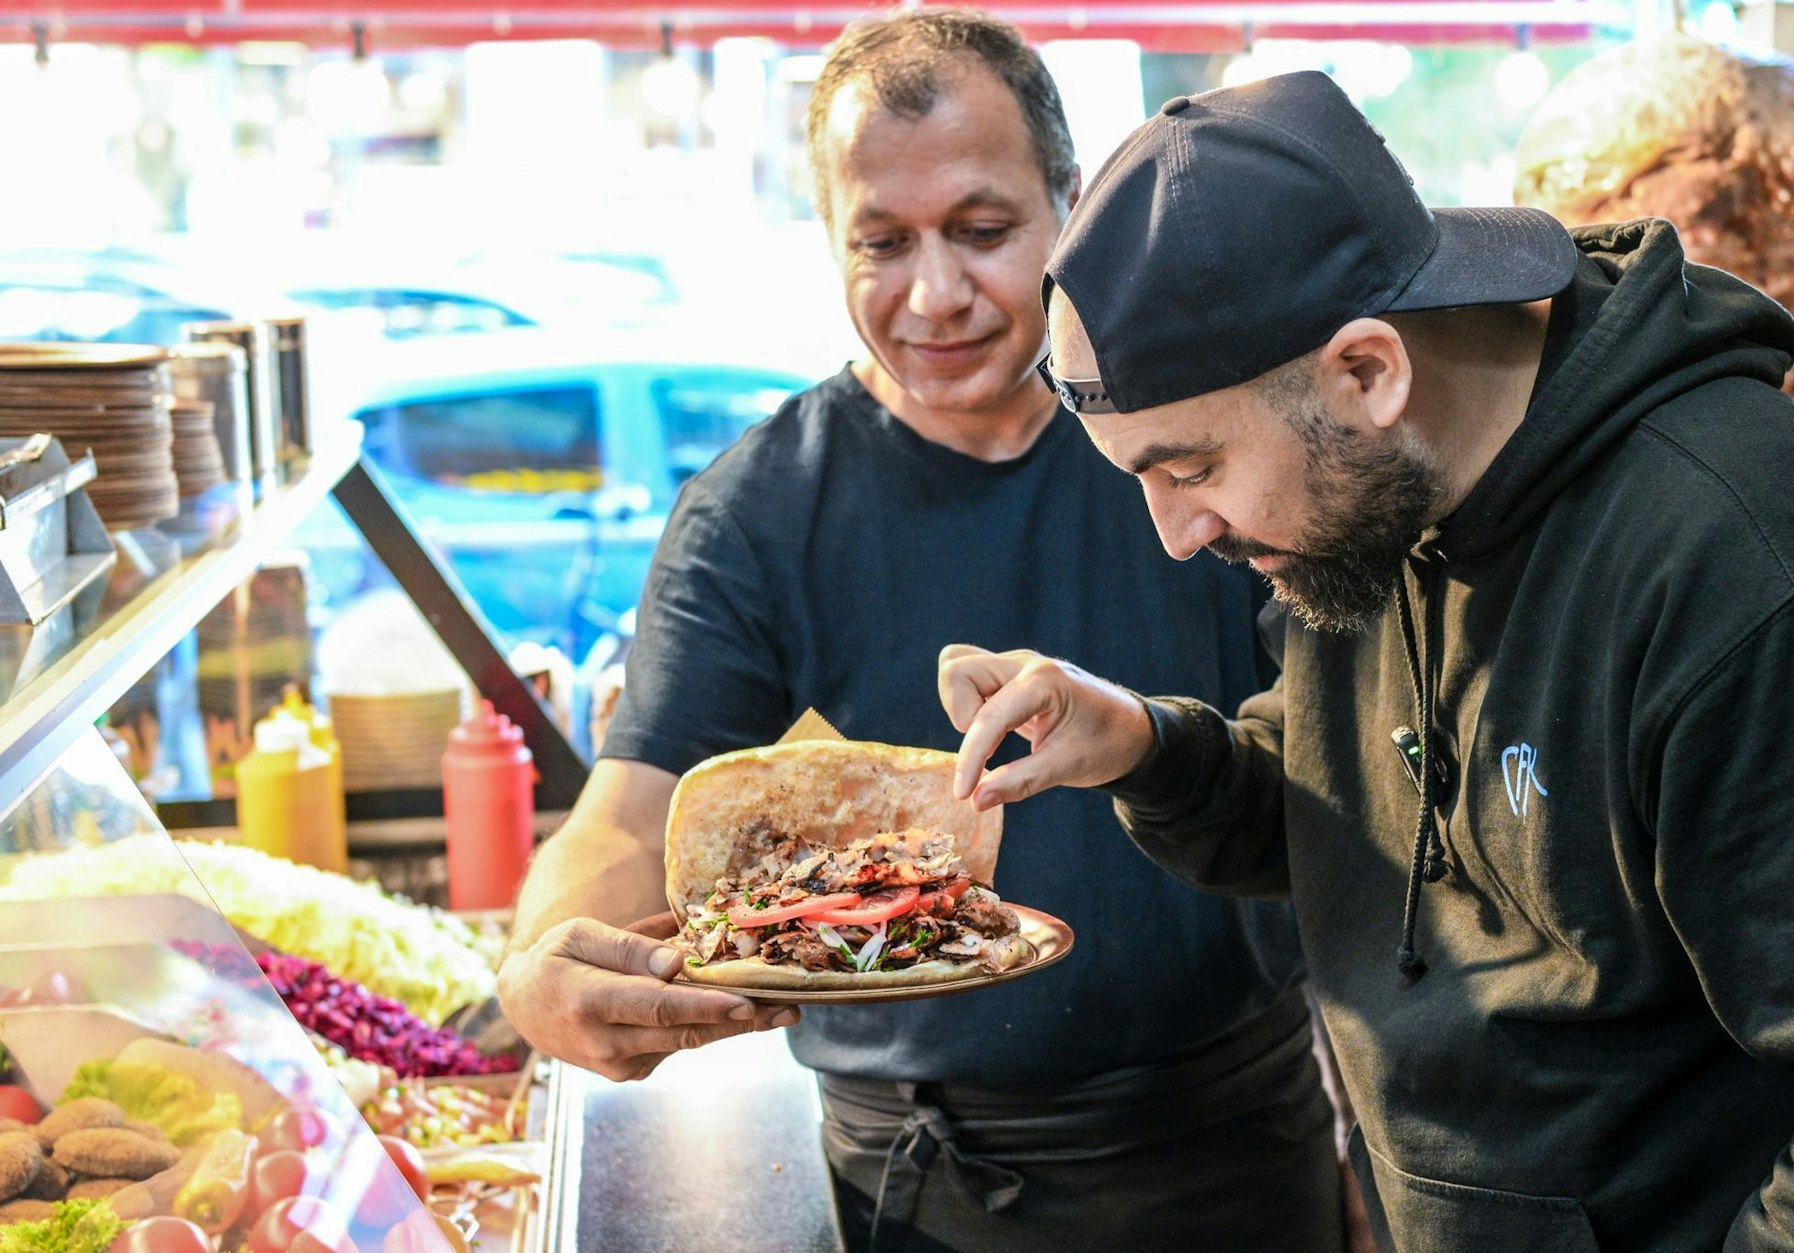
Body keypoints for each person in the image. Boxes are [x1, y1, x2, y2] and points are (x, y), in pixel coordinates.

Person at [939, 68, 1794, 1252]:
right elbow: (1353, 804)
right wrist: (1142, 745)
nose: (1177, 536)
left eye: (1188, 469)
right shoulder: (1375, 496)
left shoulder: (1759, 573)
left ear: (1368, 369)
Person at [497, 12, 1344, 1252]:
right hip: (910, 1174)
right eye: (881, 244)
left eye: (984, 231)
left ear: (1068, 200)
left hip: (1223, 1143)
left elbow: (1353, 757)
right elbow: (630, 811)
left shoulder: (1199, 437)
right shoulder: (761, 509)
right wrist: (537, 968)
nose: (934, 293)